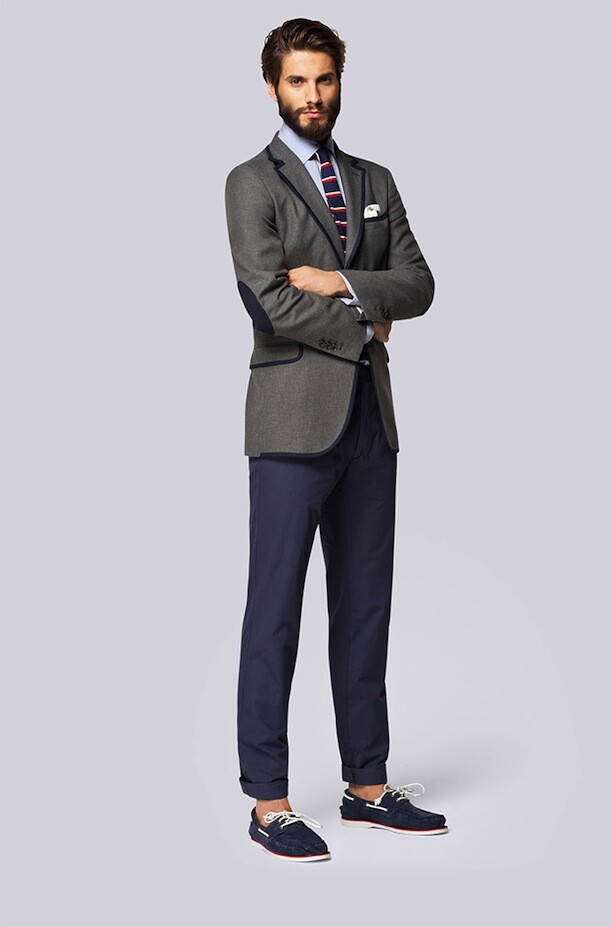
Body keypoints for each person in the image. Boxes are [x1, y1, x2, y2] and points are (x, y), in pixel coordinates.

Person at [224, 17, 448, 862]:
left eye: (323, 80)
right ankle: (269, 800)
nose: (312, 96)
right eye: (297, 82)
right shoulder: (251, 183)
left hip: (368, 426)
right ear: (272, 86)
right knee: (274, 612)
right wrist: (367, 320)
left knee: (364, 607)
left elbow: (420, 284)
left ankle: (367, 785)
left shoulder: (374, 179)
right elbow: (269, 301)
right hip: (289, 425)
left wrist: (340, 280)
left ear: (339, 81)